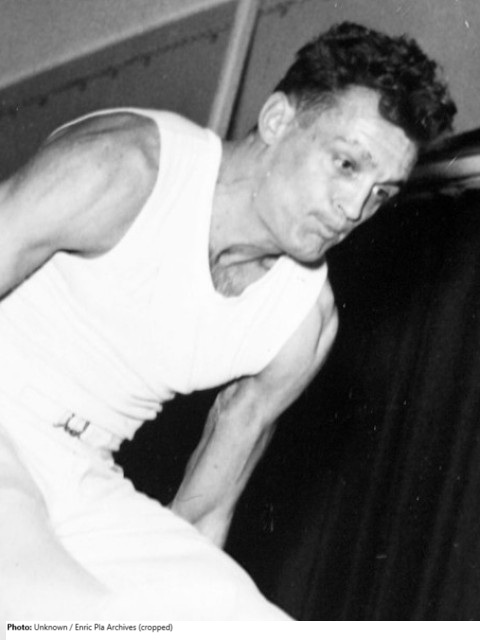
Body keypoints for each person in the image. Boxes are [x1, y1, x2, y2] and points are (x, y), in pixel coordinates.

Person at [0, 21, 455, 620]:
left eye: (381, 193)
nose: (354, 208)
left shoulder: (302, 320)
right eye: (347, 164)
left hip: (84, 475)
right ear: (277, 119)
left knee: (238, 618)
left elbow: (204, 513)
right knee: (55, 608)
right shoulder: (127, 166)